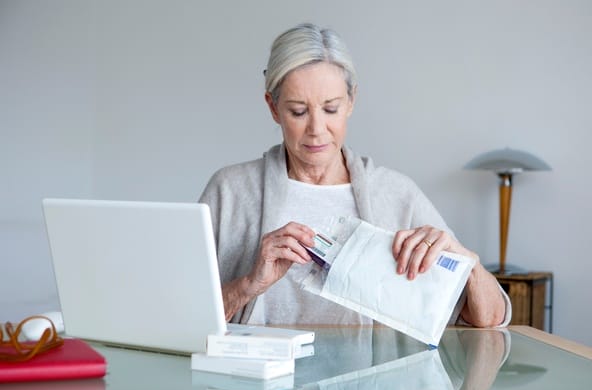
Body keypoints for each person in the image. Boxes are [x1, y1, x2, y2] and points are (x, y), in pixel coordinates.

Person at [199, 23, 510, 328]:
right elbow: (178, 318)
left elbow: (491, 318)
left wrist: (465, 262)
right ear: (273, 107)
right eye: (298, 111)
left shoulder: (397, 194)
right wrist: (248, 285)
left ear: (351, 101)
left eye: (330, 109)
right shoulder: (230, 192)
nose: (316, 129)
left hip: (370, 379)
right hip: (253, 379)